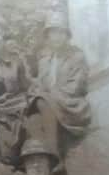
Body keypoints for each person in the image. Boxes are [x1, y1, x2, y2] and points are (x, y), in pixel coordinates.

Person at [26, 11, 91, 156]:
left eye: (61, 33)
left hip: (70, 103)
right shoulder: (44, 58)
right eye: (53, 33)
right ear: (48, 36)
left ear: (67, 36)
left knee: (43, 102)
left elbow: (77, 86)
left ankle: (54, 156)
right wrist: (36, 89)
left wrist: (49, 94)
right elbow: (40, 84)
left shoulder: (76, 56)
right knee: (32, 118)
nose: (57, 37)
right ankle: (38, 166)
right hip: (49, 102)